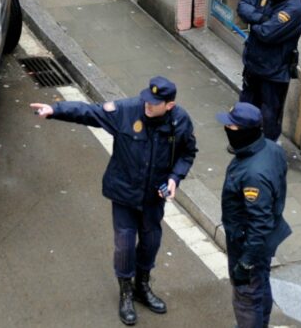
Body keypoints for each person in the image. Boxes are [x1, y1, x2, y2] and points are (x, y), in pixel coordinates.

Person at [30, 76, 197, 326]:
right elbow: (90, 112)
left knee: (151, 242)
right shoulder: (127, 111)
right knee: (125, 245)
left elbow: (187, 152)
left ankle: (142, 285)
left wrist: (174, 178)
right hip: (124, 193)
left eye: (154, 103)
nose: (147, 106)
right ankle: (126, 292)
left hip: (153, 197)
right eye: (146, 100)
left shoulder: (179, 121)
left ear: (169, 105)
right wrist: (55, 110)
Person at [218, 102, 290, 328]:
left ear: (247, 132)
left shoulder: (253, 175)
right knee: (261, 284)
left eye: (232, 127)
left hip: (249, 244)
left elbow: (259, 223)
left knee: (246, 296)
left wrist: (245, 262)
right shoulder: (271, 148)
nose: (227, 130)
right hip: (266, 239)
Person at [235, 0, 301, 142]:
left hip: (274, 71)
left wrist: (254, 22)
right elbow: (242, 5)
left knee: (269, 115)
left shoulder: (292, 8)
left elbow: (267, 33)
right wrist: (262, 17)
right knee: (246, 105)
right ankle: (243, 141)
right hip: (254, 64)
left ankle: (267, 149)